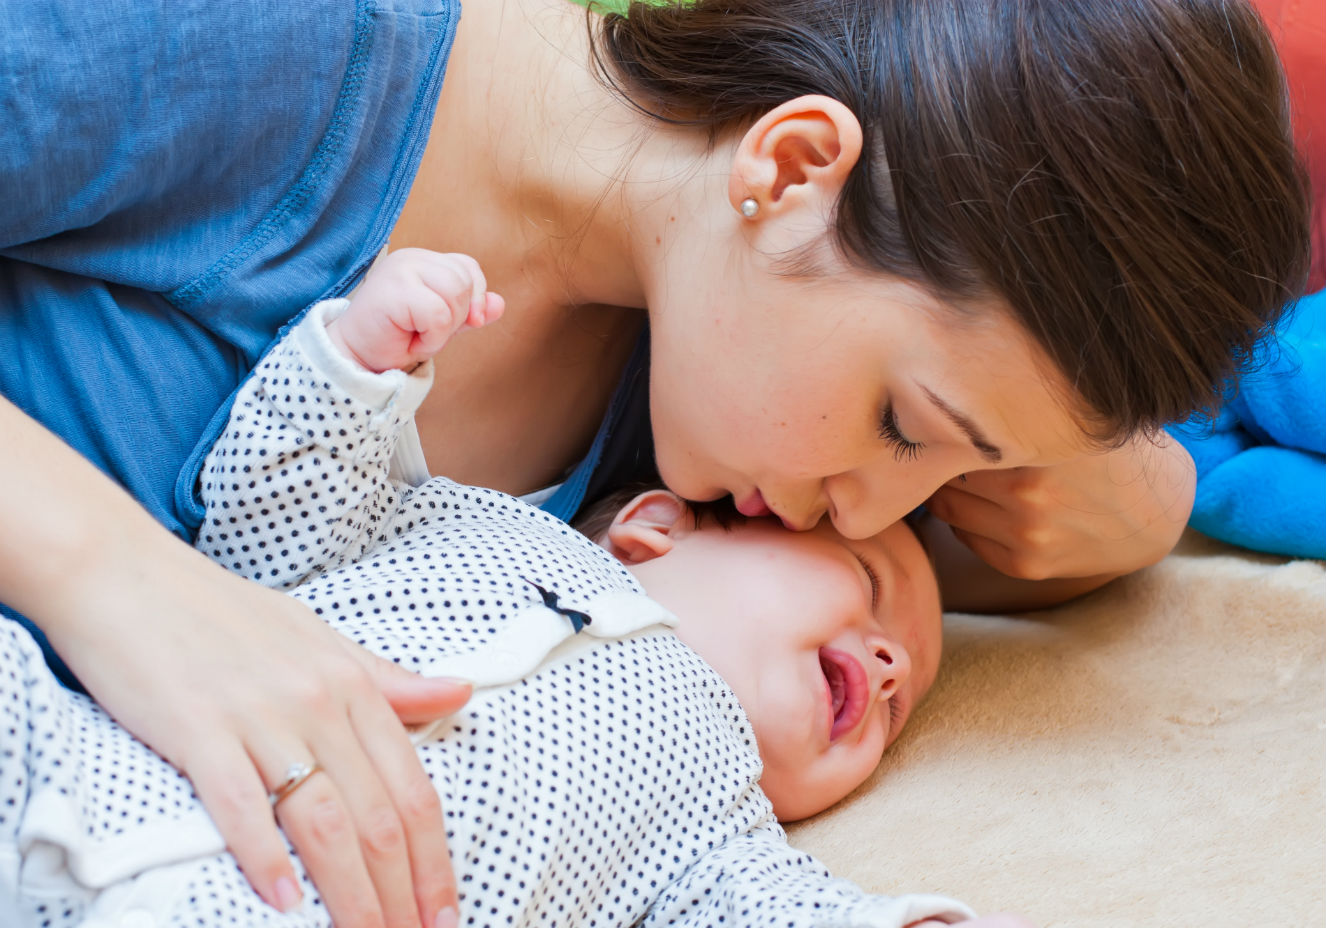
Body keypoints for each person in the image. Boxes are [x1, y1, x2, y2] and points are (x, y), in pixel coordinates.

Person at [0, 0, 1309, 923]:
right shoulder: (259, 46)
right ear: (791, 169)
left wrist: (1146, 502)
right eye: (905, 426)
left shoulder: (684, 397)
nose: (877, 516)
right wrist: (115, 576)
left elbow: (910, 587)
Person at [0, 249, 1031, 928]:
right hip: (71, 767)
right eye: (868, 581)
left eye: (904, 698)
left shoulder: (719, 837)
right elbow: (265, 538)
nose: (889, 663)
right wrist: (358, 370)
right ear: (659, 527)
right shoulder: (477, 524)